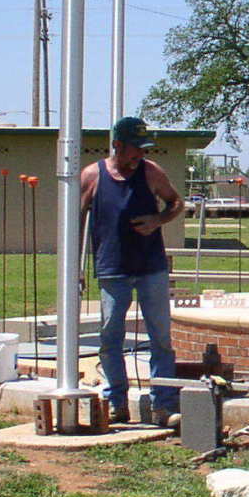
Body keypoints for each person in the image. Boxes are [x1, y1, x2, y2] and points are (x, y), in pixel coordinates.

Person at [81, 116, 185, 423]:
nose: (138, 156)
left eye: (143, 150)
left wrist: (158, 221)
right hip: (113, 268)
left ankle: (163, 404)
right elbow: (75, 219)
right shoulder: (93, 175)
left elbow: (176, 202)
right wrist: (76, 268)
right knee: (110, 337)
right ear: (117, 145)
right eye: (134, 150)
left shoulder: (151, 172)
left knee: (161, 339)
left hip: (151, 267)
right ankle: (117, 402)